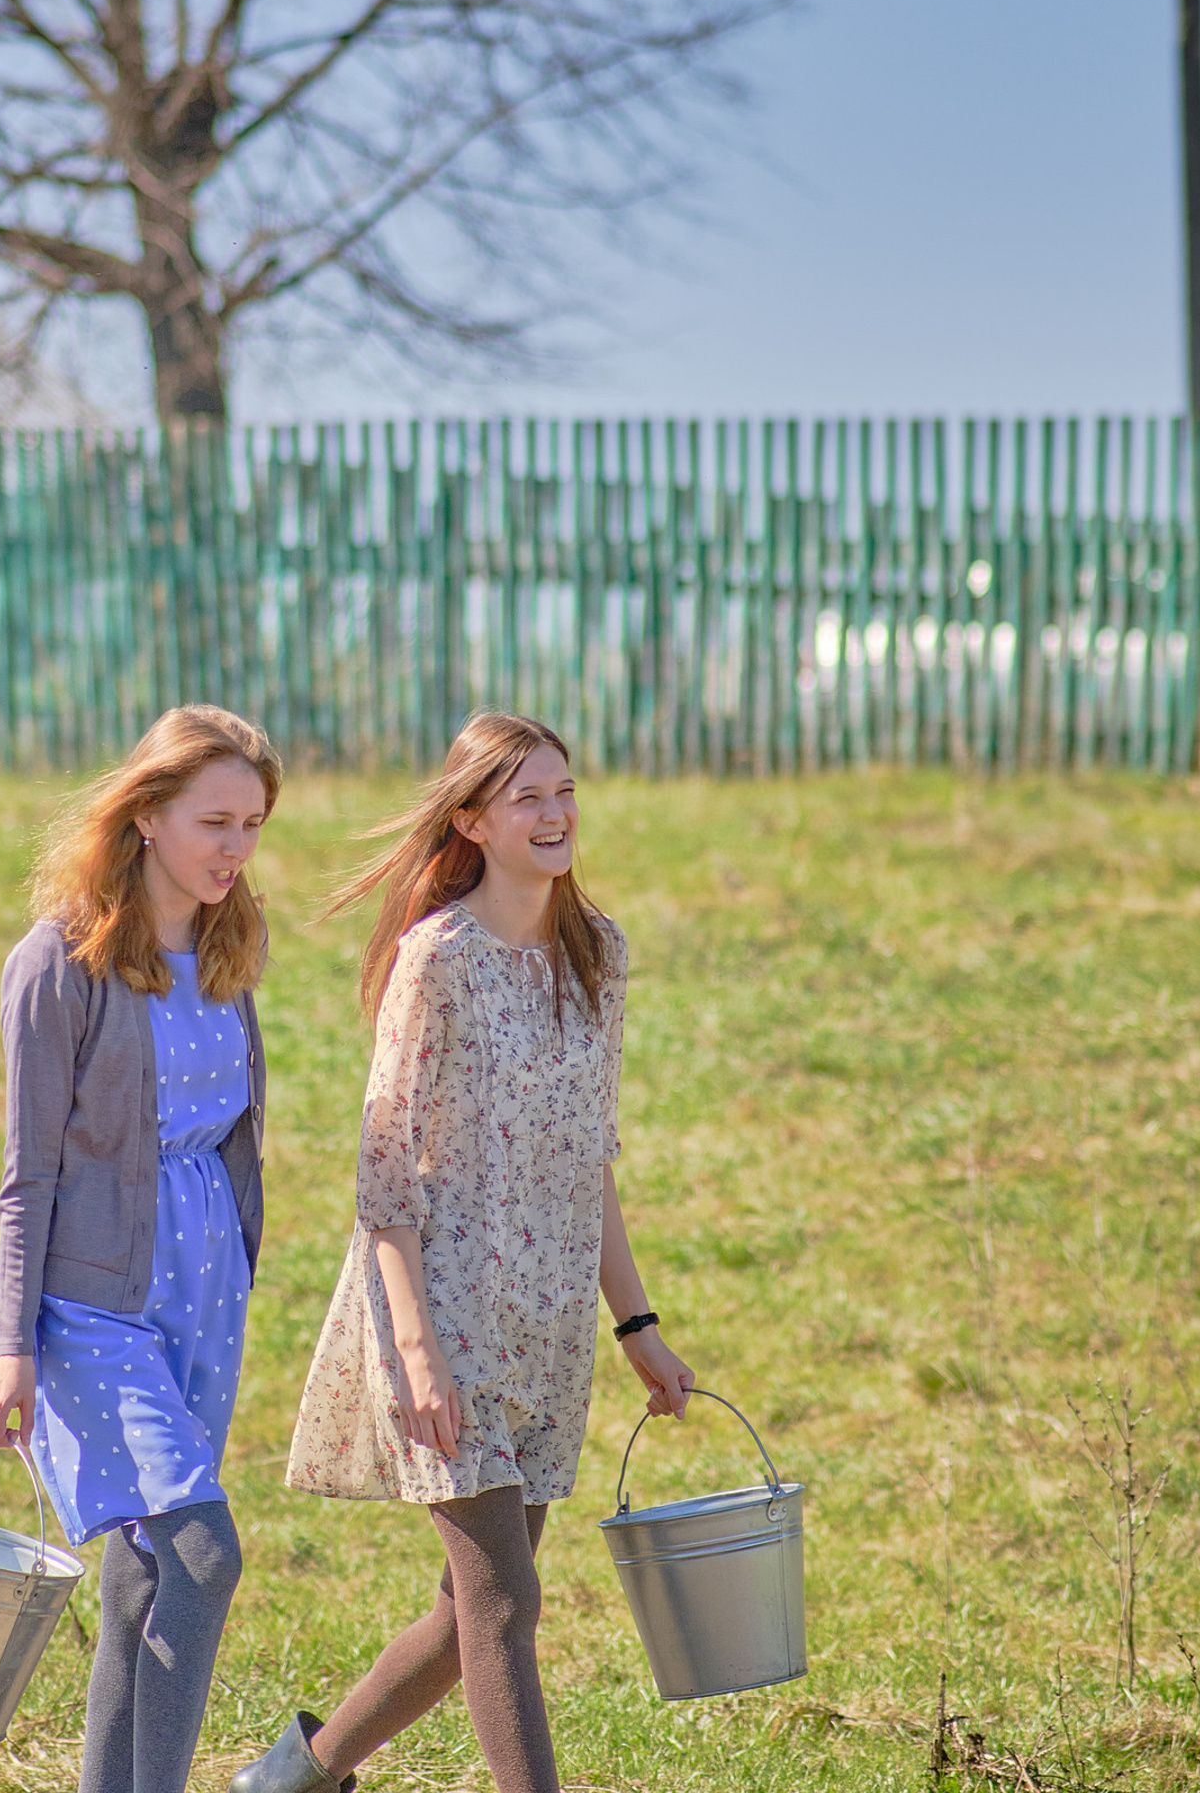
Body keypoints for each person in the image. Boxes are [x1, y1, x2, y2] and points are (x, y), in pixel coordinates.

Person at [233, 712, 693, 1793]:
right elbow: (384, 1173)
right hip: (441, 1317)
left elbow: (591, 1160)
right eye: (527, 796)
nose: (554, 813)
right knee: (504, 1603)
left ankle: (290, 1780)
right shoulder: (436, 960)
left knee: (473, 1605)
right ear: (475, 820)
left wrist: (637, 1325)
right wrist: (417, 1351)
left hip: (547, 1328)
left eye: (565, 791)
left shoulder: (600, 956)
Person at [0, 704, 282, 1793]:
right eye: (214, 822)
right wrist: (12, 1348)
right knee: (202, 1552)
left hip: (203, 1287)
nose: (235, 850)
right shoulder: (59, 963)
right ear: (147, 815)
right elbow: (28, 1172)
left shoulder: (229, 941)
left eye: (251, 825)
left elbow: (229, 1129)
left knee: (143, 1574)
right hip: (92, 1302)